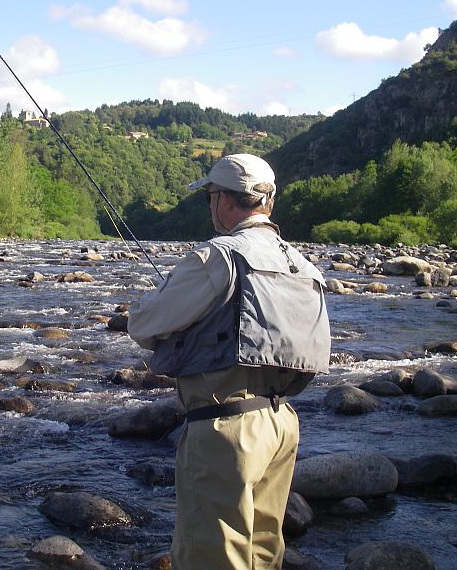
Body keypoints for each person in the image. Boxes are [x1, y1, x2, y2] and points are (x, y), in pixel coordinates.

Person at [128, 153, 331, 570]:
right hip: (281, 423)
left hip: (225, 430)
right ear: (267, 201)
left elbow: (144, 325)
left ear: (223, 200)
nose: (210, 205)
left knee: (211, 558)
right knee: (262, 555)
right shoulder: (303, 264)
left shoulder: (219, 256)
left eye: (209, 196)